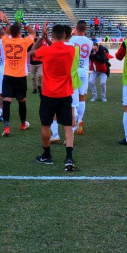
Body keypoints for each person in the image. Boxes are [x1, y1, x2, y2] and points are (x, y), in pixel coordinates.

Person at [31, 23, 76, 171]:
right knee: (68, 127)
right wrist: (49, 40)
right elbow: (58, 48)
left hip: (48, 94)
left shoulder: (45, 50)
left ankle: (47, 155)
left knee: (46, 125)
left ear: (52, 35)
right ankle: (69, 158)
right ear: (64, 35)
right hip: (65, 94)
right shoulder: (71, 49)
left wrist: (41, 39)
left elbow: (32, 52)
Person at [0, 11, 36, 136]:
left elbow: (6, 33)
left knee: (7, 100)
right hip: (20, 76)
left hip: (8, 74)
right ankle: (22, 124)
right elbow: (33, 33)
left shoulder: (5, 40)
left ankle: (6, 127)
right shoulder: (24, 41)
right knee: (22, 100)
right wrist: (23, 20)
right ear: (20, 33)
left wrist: (13, 22)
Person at [67, 20, 93, 135]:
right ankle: (80, 120)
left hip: (74, 70)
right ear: (86, 29)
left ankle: (76, 117)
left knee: (73, 99)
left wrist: (72, 33)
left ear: (76, 28)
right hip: (84, 70)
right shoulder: (90, 42)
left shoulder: (72, 40)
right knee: (83, 97)